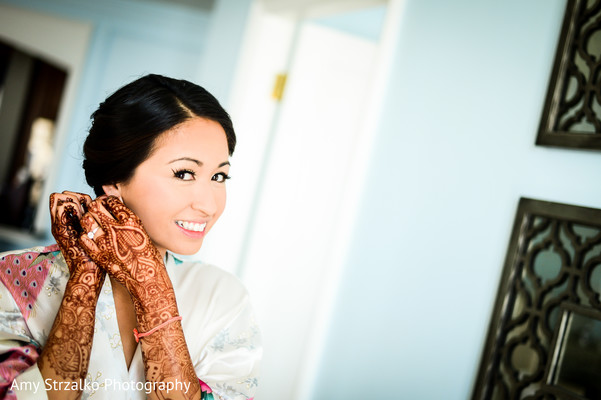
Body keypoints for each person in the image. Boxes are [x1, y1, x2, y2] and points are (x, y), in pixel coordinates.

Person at [0, 74, 261, 400]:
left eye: (218, 176)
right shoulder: (15, 278)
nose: (208, 204)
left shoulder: (223, 298)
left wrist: (153, 290)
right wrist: (84, 279)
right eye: (184, 173)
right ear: (114, 180)